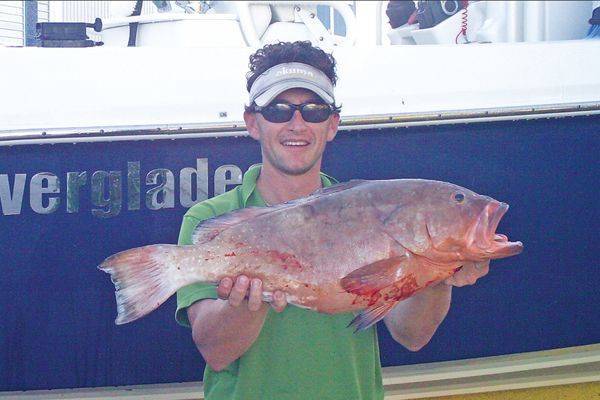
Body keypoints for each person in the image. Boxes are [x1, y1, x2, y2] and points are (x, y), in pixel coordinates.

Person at [175, 41, 489, 400]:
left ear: (332, 124)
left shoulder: (366, 212)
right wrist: (249, 300)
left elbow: (412, 336)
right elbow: (216, 351)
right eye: (278, 110)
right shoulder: (212, 219)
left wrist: (438, 275)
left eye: (314, 110)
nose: (297, 124)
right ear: (252, 123)